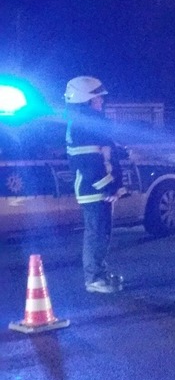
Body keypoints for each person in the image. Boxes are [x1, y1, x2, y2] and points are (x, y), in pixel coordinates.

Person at [64, 76, 125, 293]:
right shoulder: (81, 128)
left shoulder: (89, 125)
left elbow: (107, 156)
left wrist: (116, 185)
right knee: (96, 234)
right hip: (93, 191)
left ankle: (100, 273)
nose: (101, 102)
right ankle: (93, 279)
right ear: (85, 101)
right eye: (97, 98)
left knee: (103, 233)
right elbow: (90, 165)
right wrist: (108, 186)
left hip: (101, 190)